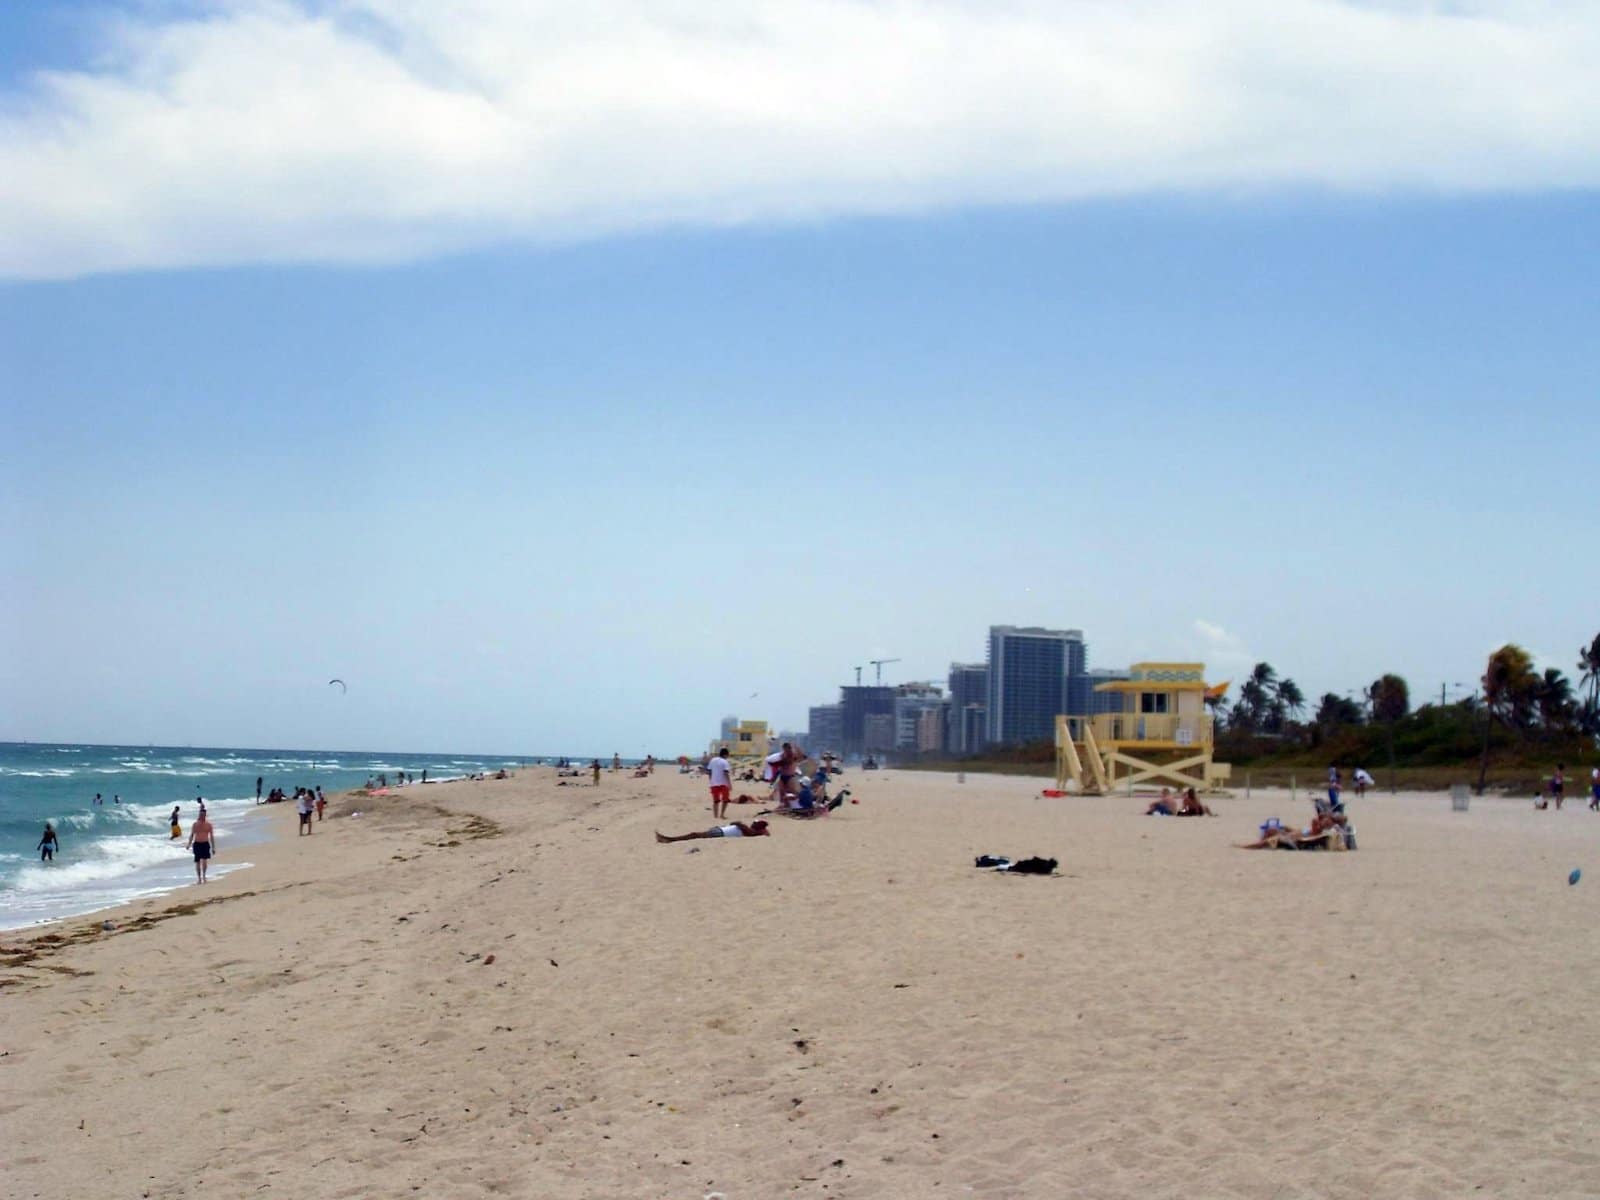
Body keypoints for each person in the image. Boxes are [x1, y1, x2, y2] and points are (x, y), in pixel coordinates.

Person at [656, 820, 770, 843]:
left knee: (694, 835)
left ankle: (670, 840)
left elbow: (735, 823)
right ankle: (669, 839)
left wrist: (740, 823)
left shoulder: (749, 830)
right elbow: (735, 823)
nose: (752, 823)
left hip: (720, 833)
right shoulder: (749, 830)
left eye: (754, 823)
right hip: (720, 830)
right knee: (695, 834)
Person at [187, 808, 216, 882]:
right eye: (200, 814)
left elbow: (211, 836)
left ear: (205, 815)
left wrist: (213, 848)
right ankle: (199, 878)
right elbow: (192, 835)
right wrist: (189, 844)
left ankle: (204, 876)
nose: (201, 816)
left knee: (204, 861)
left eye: (203, 814)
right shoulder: (195, 824)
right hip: (197, 844)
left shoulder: (208, 825)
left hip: (205, 844)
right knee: (197, 861)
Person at [707, 747, 733, 819]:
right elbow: (726, 773)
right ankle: (722, 814)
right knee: (725, 800)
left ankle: (715, 816)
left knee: (716, 800)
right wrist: (729, 784)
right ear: (725, 755)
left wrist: (711, 780)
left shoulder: (713, 760)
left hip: (714, 783)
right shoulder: (725, 762)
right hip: (723, 783)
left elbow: (709, 772)